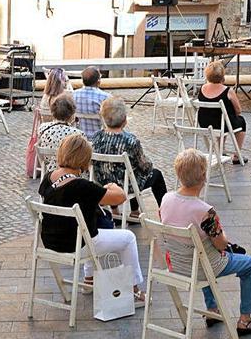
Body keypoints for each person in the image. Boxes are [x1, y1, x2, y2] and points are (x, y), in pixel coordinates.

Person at [160, 149, 251, 336]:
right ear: (203, 176)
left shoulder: (166, 199)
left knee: (201, 254)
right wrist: (223, 235)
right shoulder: (205, 211)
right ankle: (245, 320)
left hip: (177, 264)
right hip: (203, 266)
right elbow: (221, 245)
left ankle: (212, 310)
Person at [39, 134, 146, 306]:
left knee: (87, 227)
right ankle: (133, 290)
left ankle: (89, 280)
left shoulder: (48, 178)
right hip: (76, 245)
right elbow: (120, 197)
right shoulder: (81, 186)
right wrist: (112, 186)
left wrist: (98, 192)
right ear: (84, 159)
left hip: (51, 242)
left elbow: (70, 194)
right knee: (128, 238)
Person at [91, 97, 168, 213]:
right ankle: (163, 212)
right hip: (126, 186)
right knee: (153, 174)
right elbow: (144, 166)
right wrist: (149, 164)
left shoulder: (96, 137)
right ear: (124, 120)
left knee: (123, 171)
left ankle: (116, 210)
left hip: (104, 183)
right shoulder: (130, 141)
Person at [197, 61, 246, 164]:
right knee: (240, 121)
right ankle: (237, 156)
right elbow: (238, 110)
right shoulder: (228, 90)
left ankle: (220, 150)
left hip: (205, 123)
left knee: (224, 120)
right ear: (222, 75)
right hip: (222, 124)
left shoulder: (202, 88)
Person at [38, 93, 85, 173]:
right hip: (70, 173)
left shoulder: (42, 128)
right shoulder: (77, 134)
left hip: (49, 171)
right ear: (72, 113)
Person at [73, 66, 111, 137]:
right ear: (98, 81)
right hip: (99, 139)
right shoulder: (106, 97)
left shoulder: (73, 95)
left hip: (79, 137)